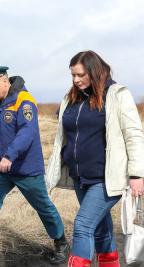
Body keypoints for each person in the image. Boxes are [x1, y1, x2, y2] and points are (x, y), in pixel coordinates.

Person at [0, 66, 68, 264]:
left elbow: (27, 132)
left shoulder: (24, 101)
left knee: (43, 206)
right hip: (2, 168)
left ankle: (61, 243)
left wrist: (9, 156)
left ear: (4, 81)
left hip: (25, 168)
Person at [46, 50, 144, 267]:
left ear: (94, 70)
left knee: (83, 225)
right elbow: (63, 137)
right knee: (100, 228)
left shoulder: (117, 94)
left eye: (80, 75)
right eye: (72, 75)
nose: (76, 80)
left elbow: (134, 135)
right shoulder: (71, 98)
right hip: (81, 177)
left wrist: (137, 174)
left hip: (106, 178)